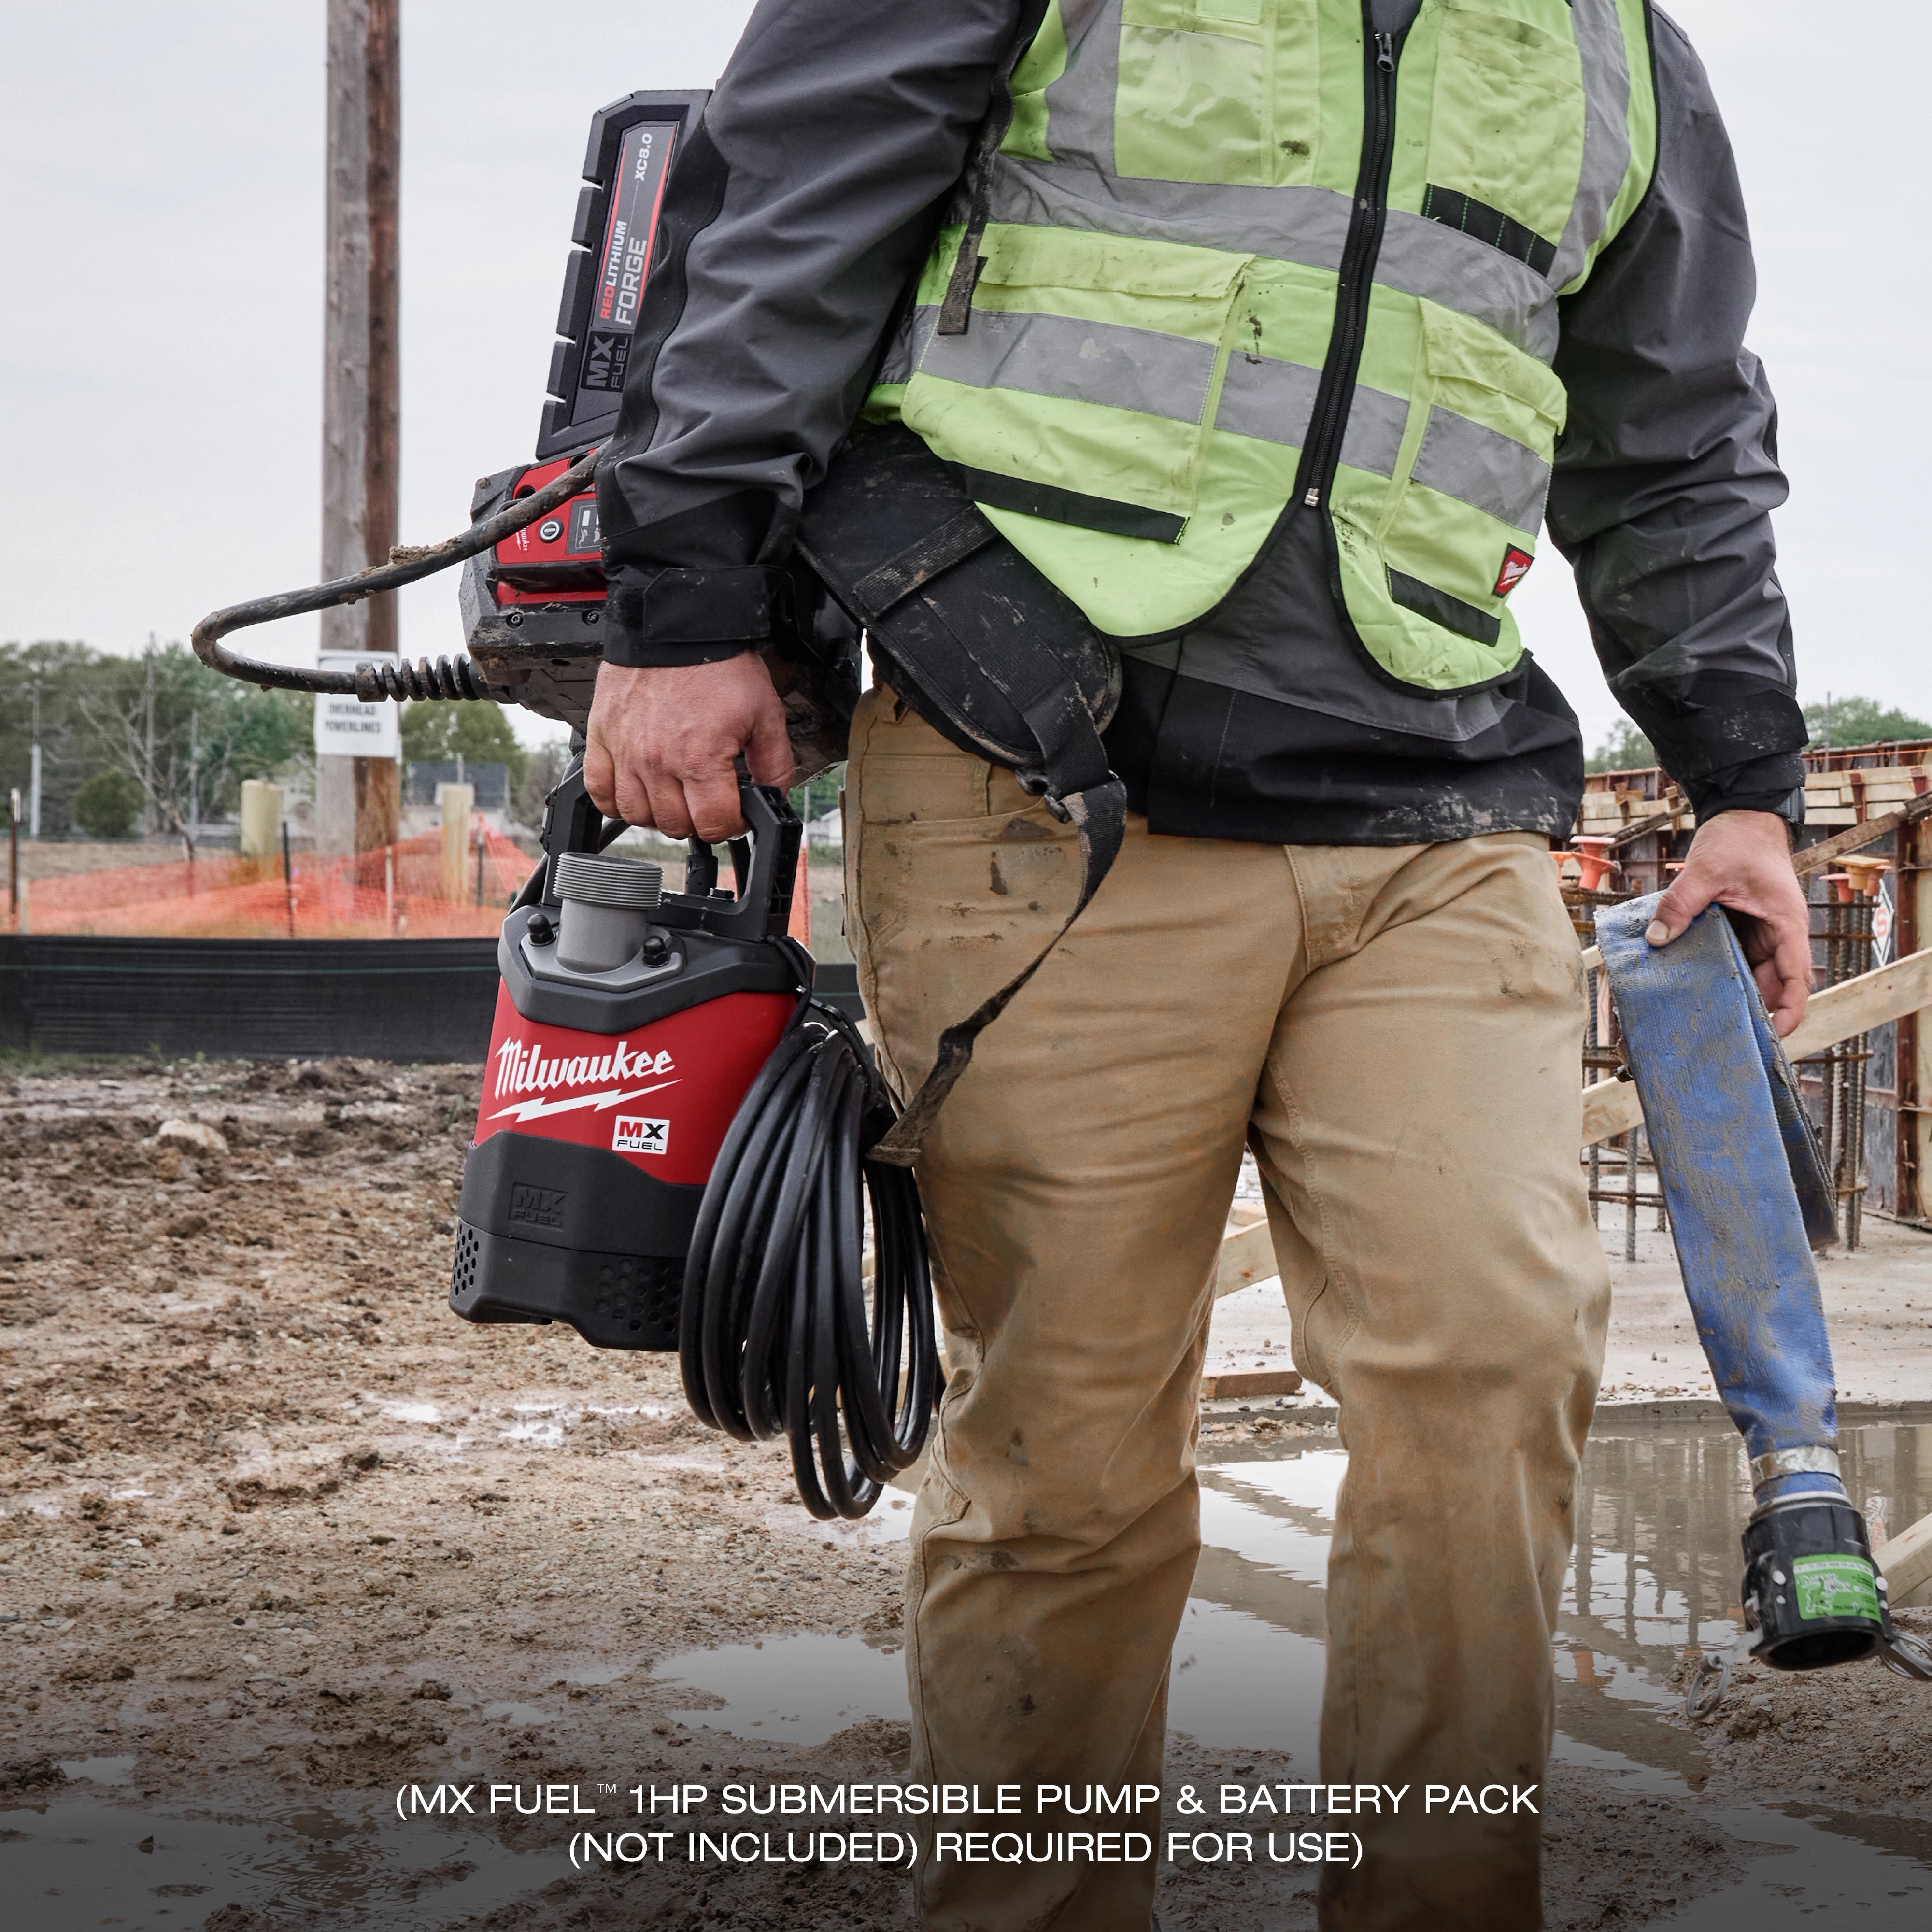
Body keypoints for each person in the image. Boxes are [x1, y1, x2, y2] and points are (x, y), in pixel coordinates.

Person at [584, 3, 1812, 1925]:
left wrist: (1743, 776)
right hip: (1041, 769)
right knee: (1063, 1440)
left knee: (1491, 1358)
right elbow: (779, 228)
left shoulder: (1611, 51)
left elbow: (1671, 440)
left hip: (1437, 804)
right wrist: (681, 600)